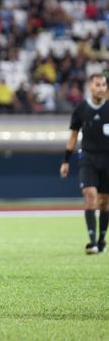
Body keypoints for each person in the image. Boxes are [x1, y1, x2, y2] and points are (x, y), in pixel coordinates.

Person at [60, 73, 109, 254]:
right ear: (90, 87)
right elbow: (73, 135)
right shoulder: (81, 109)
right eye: (98, 84)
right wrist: (65, 160)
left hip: (108, 160)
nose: (101, 88)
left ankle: (102, 239)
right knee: (90, 194)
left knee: (104, 203)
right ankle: (92, 242)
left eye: (104, 84)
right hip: (88, 158)